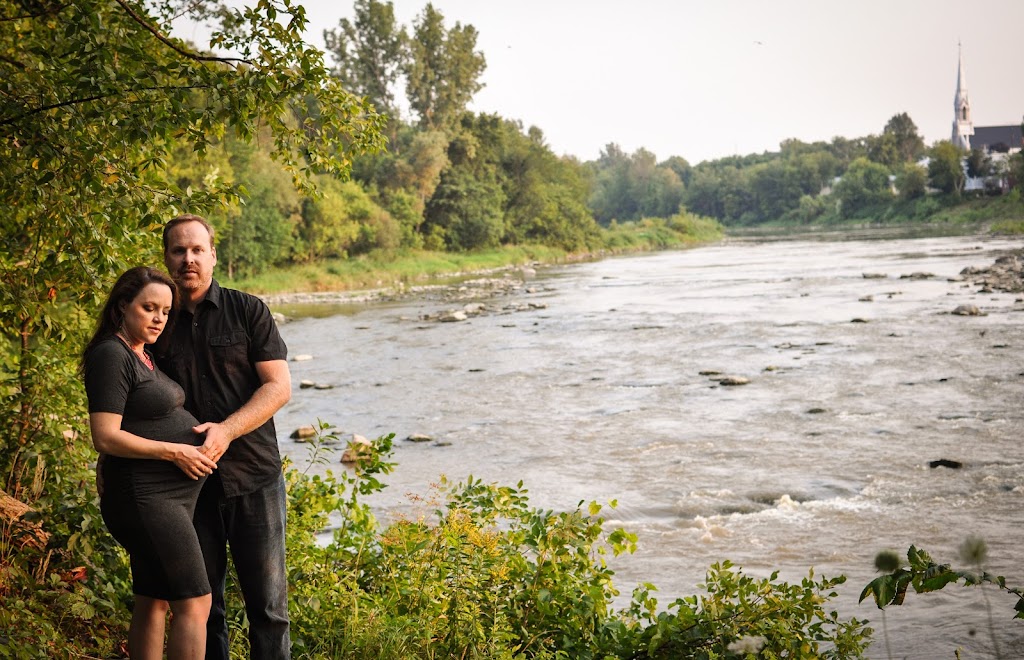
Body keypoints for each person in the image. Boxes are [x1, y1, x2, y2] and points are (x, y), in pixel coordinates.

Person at [154, 214, 292, 659]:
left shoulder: (249, 311)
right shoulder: (156, 323)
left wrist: (226, 431)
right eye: (179, 250)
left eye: (197, 249)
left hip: (254, 479)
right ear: (167, 258)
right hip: (186, 487)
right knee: (202, 608)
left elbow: (279, 386)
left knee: (269, 611)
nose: (188, 259)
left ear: (214, 255)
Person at [82, 266, 218, 660]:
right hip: (146, 498)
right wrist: (175, 451)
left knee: (153, 599)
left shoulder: (143, 355)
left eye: (165, 310)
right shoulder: (112, 353)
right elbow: (105, 435)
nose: (159, 318)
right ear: (123, 306)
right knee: (195, 603)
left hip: (164, 497)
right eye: (148, 308)